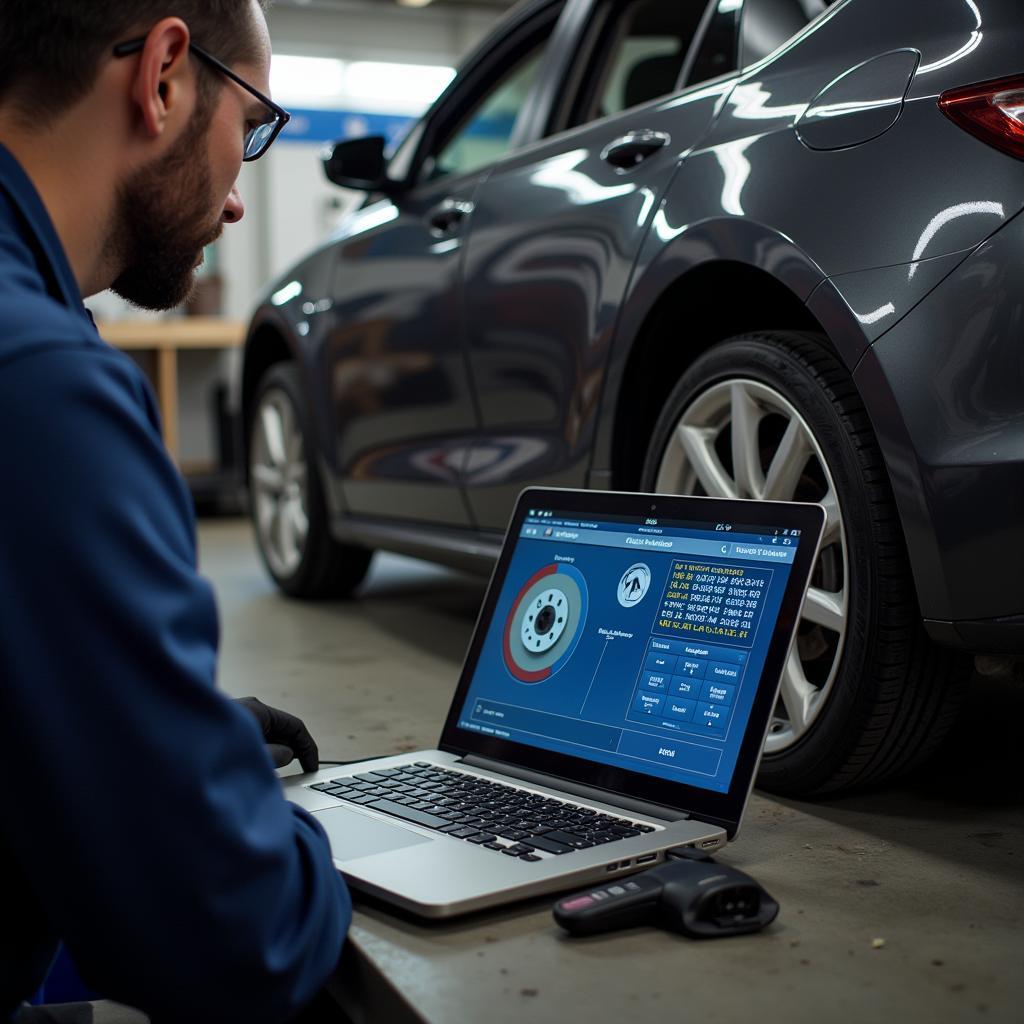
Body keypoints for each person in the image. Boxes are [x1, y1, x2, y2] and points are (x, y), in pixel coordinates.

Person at [0, 2, 351, 1021]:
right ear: (163, 76)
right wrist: (259, 822)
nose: (239, 199)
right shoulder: (39, 387)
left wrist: (146, 727)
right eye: (252, 128)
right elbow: (238, 938)